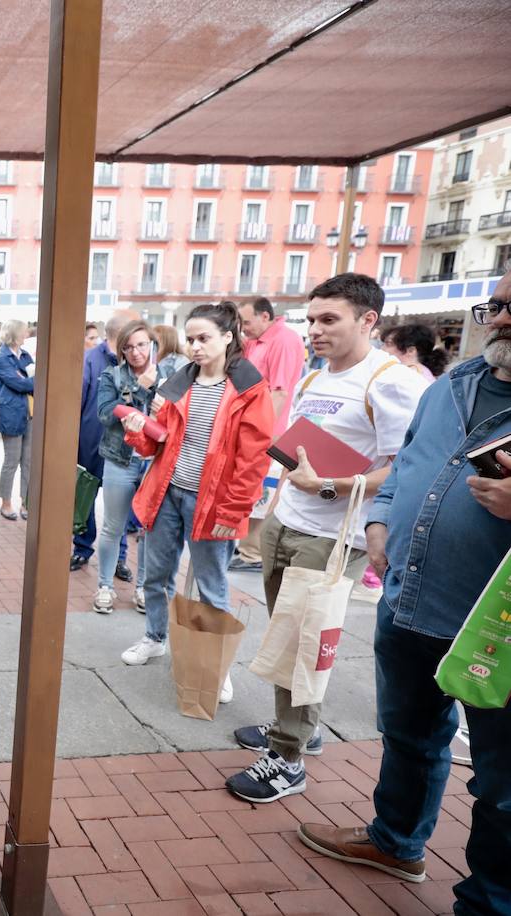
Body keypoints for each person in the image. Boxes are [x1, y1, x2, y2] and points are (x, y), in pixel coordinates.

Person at [296, 272, 511, 910]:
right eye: (496, 306)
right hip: (413, 604)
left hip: (494, 629)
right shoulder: (450, 386)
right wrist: (380, 517)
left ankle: (490, 901)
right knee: (410, 737)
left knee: (502, 784)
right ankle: (396, 841)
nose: (501, 320)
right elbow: (406, 465)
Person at [224, 273, 427, 803]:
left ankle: (289, 759)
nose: (315, 330)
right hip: (288, 525)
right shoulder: (315, 379)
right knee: (289, 636)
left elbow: (409, 465)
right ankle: (299, 728)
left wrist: (332, 487)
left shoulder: (391, 381)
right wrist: (270, 516)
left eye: (328, 319)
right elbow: (294, 456)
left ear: (368, 321)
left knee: (302, 642)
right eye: (310, 319)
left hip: (334, 538)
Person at [118, 302, 273, 706]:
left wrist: (234, 510)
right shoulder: (178, 382)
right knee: (155, 575)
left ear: (228, 337)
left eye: (204, 338)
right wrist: (137, 431)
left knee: (213, 586)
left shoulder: (249, 388)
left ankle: (214, 664)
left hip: (213, 500)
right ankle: (154, 637)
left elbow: (253, 458)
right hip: (167, 492)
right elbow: (158, 443)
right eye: (190, 339)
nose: (195, 347)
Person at [92, 321, 167, 613]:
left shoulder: (168, 374)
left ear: (152, 345)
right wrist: (138, 389)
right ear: (121, 349)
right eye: (129, 346)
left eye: (142, 345)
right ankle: (105, 587)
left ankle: (144, 589)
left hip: (155, 462)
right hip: (120, 459)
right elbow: (104, 414)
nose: (136, 352)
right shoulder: (112, 375)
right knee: (113, 526)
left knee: (149, 529)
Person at [230, 297, 307, 573]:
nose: (244, 327)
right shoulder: (256, 340)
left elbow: (280, 391)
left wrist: (262, 433)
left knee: (263, 492)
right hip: (252, 428)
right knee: (253, 490)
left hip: (270, 432)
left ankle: (253, 553)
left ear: (265, 317)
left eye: (247, 322)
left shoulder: (284, 340)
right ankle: (246, 548)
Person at [72, 309, 139, 571]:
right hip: (89, 444)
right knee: (85, 499)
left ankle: (119, 557)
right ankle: (82, 546)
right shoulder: (89, 360)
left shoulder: (135, 364)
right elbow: (76, 403)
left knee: (119, 504)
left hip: (122, 449)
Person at [0, 319, 35, 521]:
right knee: (11, 460)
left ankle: (26, 503)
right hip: (10, 414)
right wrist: (29, 380)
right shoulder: (1, 358)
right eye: (25, 331)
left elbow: (31, 381)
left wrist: (27, 380)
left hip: (30, 413)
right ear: (15, 334)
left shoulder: (26, 356)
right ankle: (6, 503)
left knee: (28, 461)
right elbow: (20, 384)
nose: (27, 334)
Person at [382, 322, 449, 381]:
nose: (382, 348)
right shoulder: (419, 372)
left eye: (388, 344)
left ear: (411, 350)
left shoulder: (409, 377)